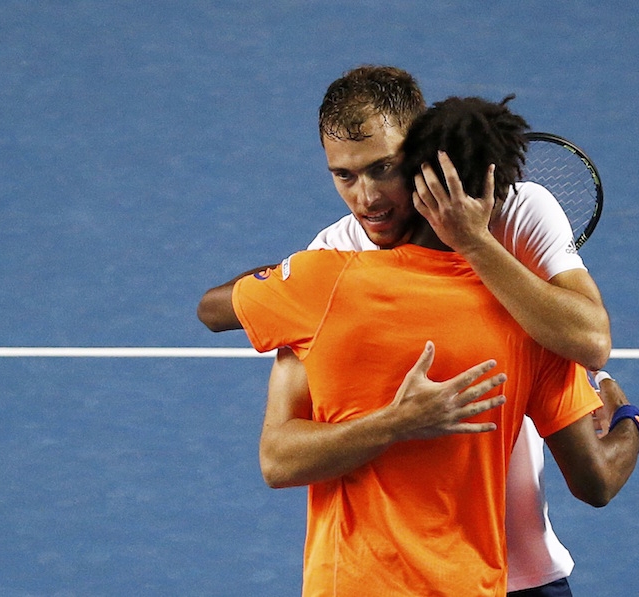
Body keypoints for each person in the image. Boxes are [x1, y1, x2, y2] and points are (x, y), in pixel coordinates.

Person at [197, 66, 611, 595]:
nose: (366, 198)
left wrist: (474, 242)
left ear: (421, 155)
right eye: (343, 176)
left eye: (381, 168)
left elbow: (592, 341)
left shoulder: (514, 209)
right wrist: (295, 274)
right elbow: (221, 318)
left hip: (523, 563)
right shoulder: (336, 252)